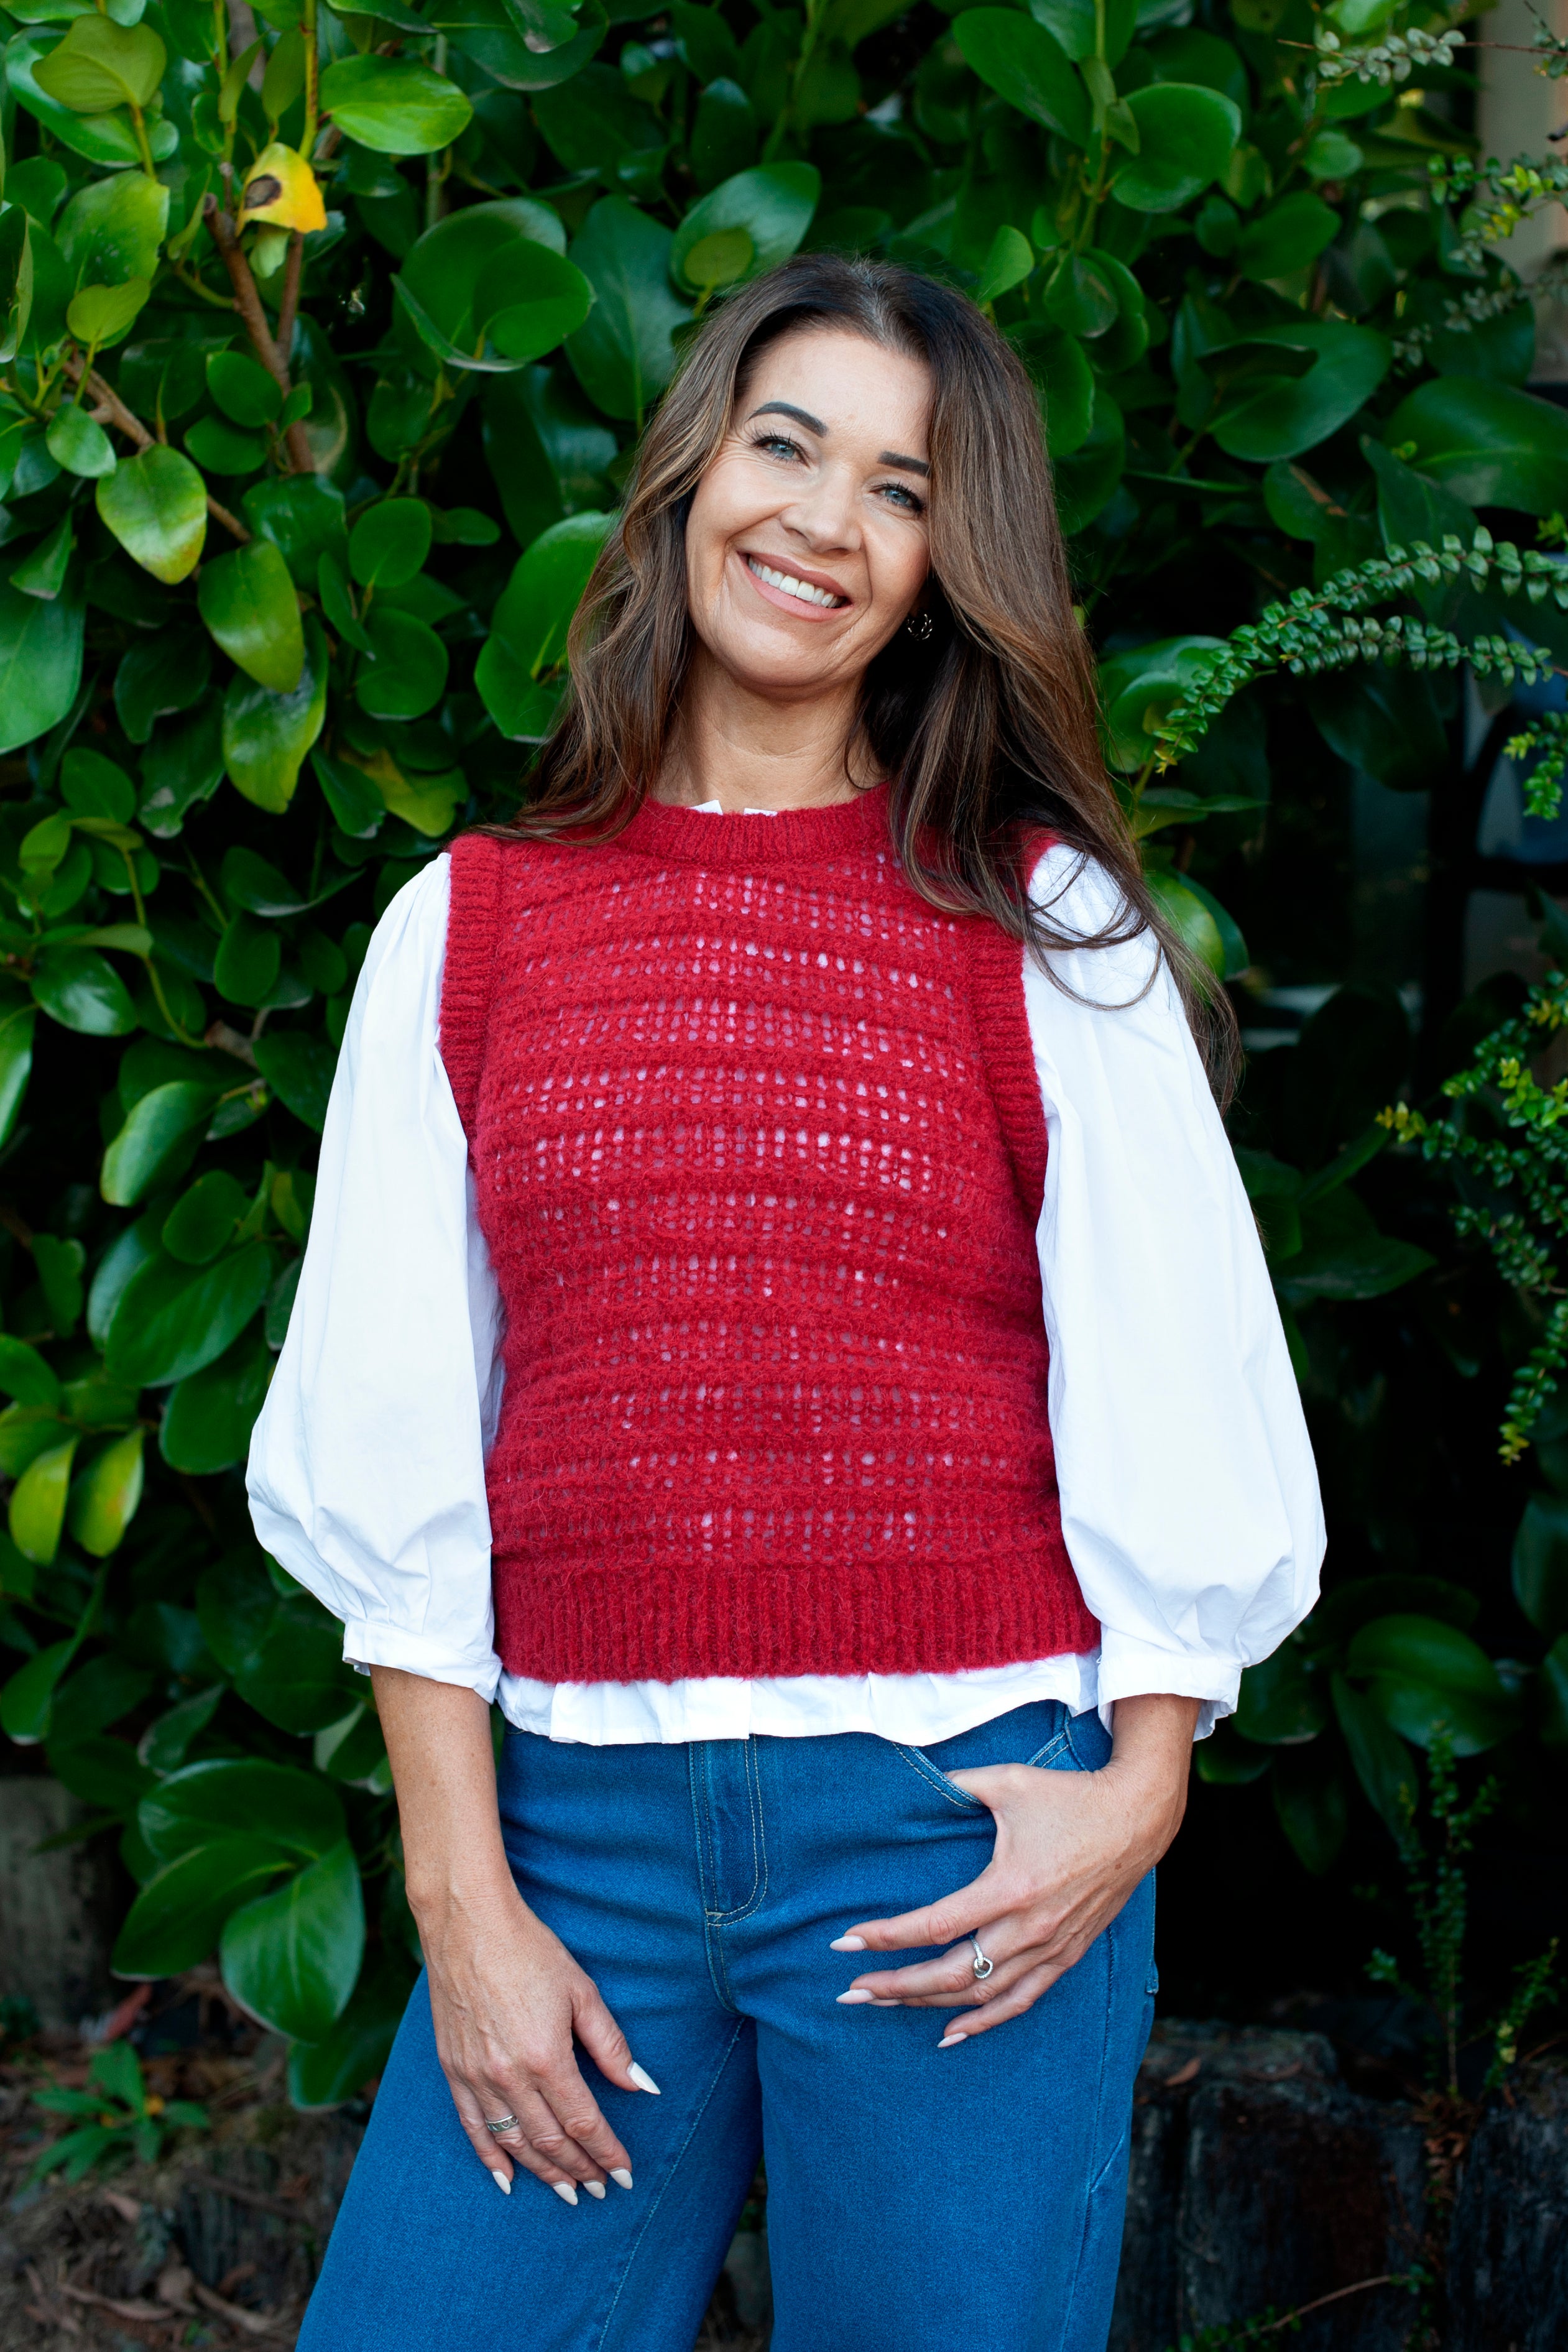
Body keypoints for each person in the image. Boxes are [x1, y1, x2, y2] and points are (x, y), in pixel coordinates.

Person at [247, 253, 1323, 2352]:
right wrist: (464, 1905)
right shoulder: (465, 931)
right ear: (688, 478)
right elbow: (395, 1449)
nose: (825, 523)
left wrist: (1139, 1790)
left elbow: (1175, 1379)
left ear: (940, 573)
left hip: (954, 1840)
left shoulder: (1038, 924)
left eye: (901, 491)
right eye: (786, 446)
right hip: (575, 1844)